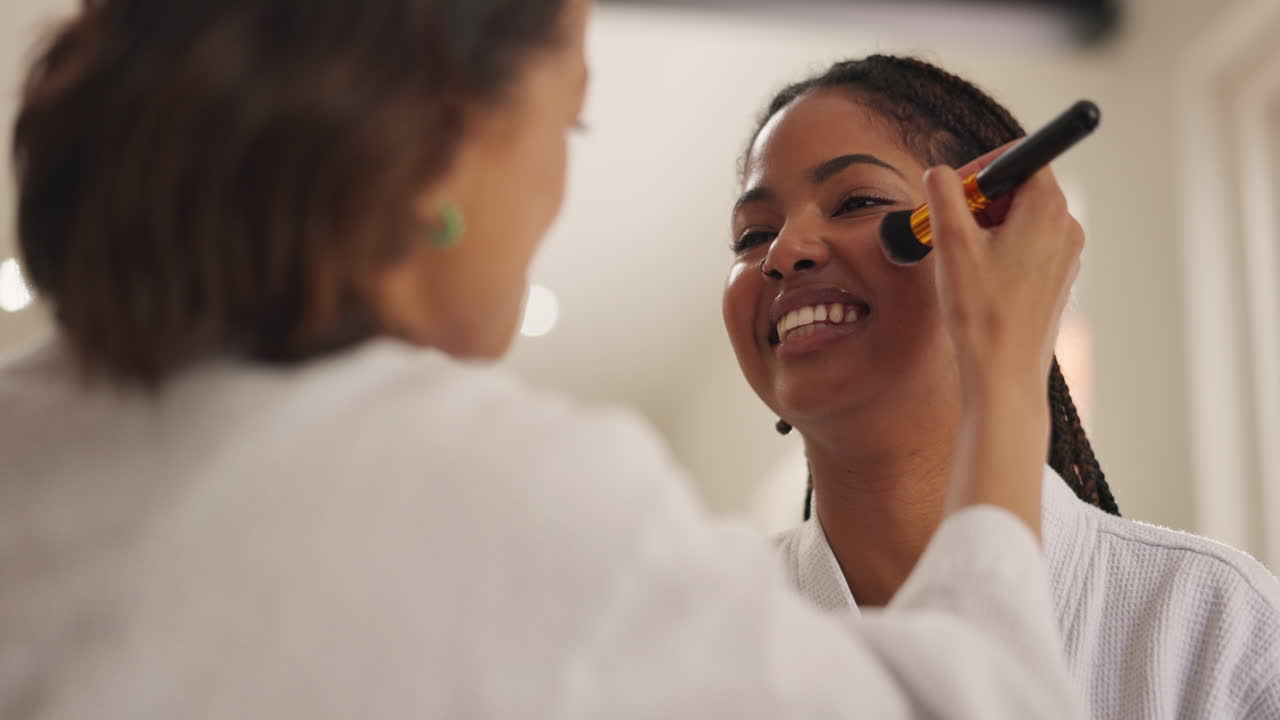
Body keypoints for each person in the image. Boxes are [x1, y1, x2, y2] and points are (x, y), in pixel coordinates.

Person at [0, 1, 1086, 716]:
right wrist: (1006, 373)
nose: (789, 251)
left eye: (853, 203)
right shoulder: (507, 501)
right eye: (566, 127)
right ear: (435, 156)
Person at [724, 54, 1280, 719]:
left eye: (859, 201)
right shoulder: (698, 634)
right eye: (754, 235)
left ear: (996, 238)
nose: (785, 250)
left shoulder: (1213, 624)